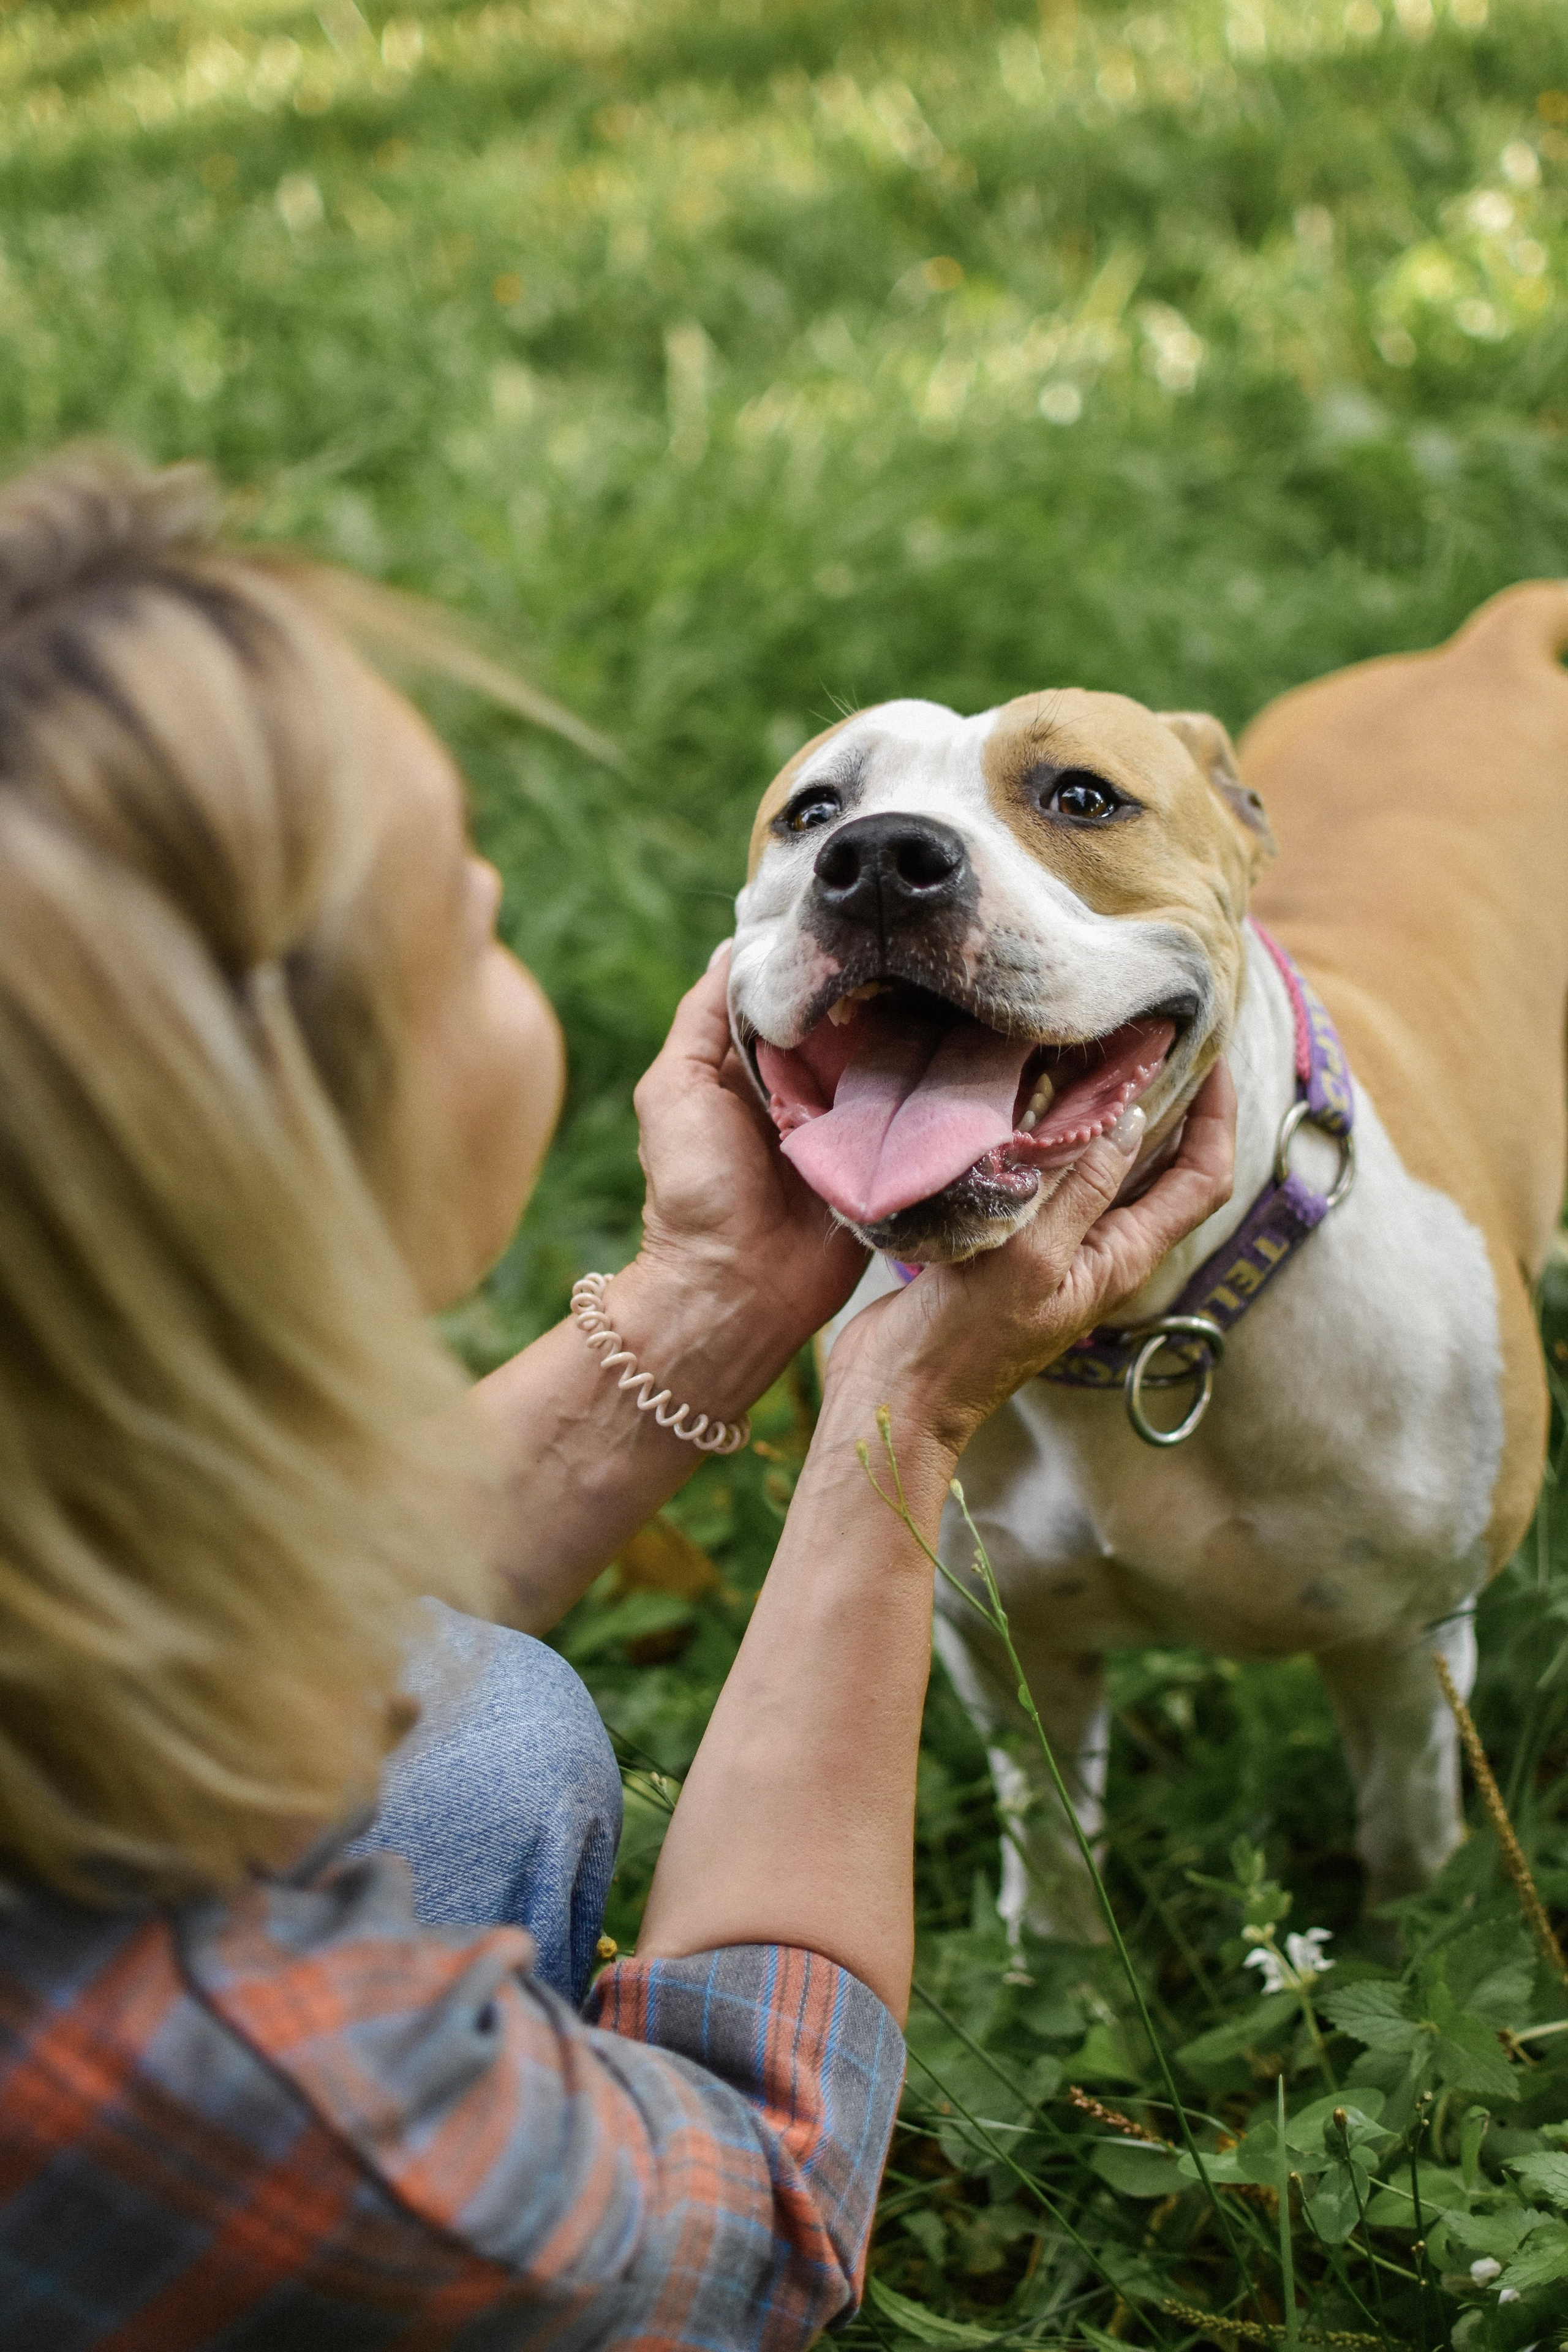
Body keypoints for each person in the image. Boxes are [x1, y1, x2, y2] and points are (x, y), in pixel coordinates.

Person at [0, 448, 1235, 2349]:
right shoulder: (211, 2055)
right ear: (245, 1153)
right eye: (478, 919)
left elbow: (171, 1636)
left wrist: (722, 1290)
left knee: (482, 1725)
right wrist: (889, 1426)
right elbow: (753, 2213)